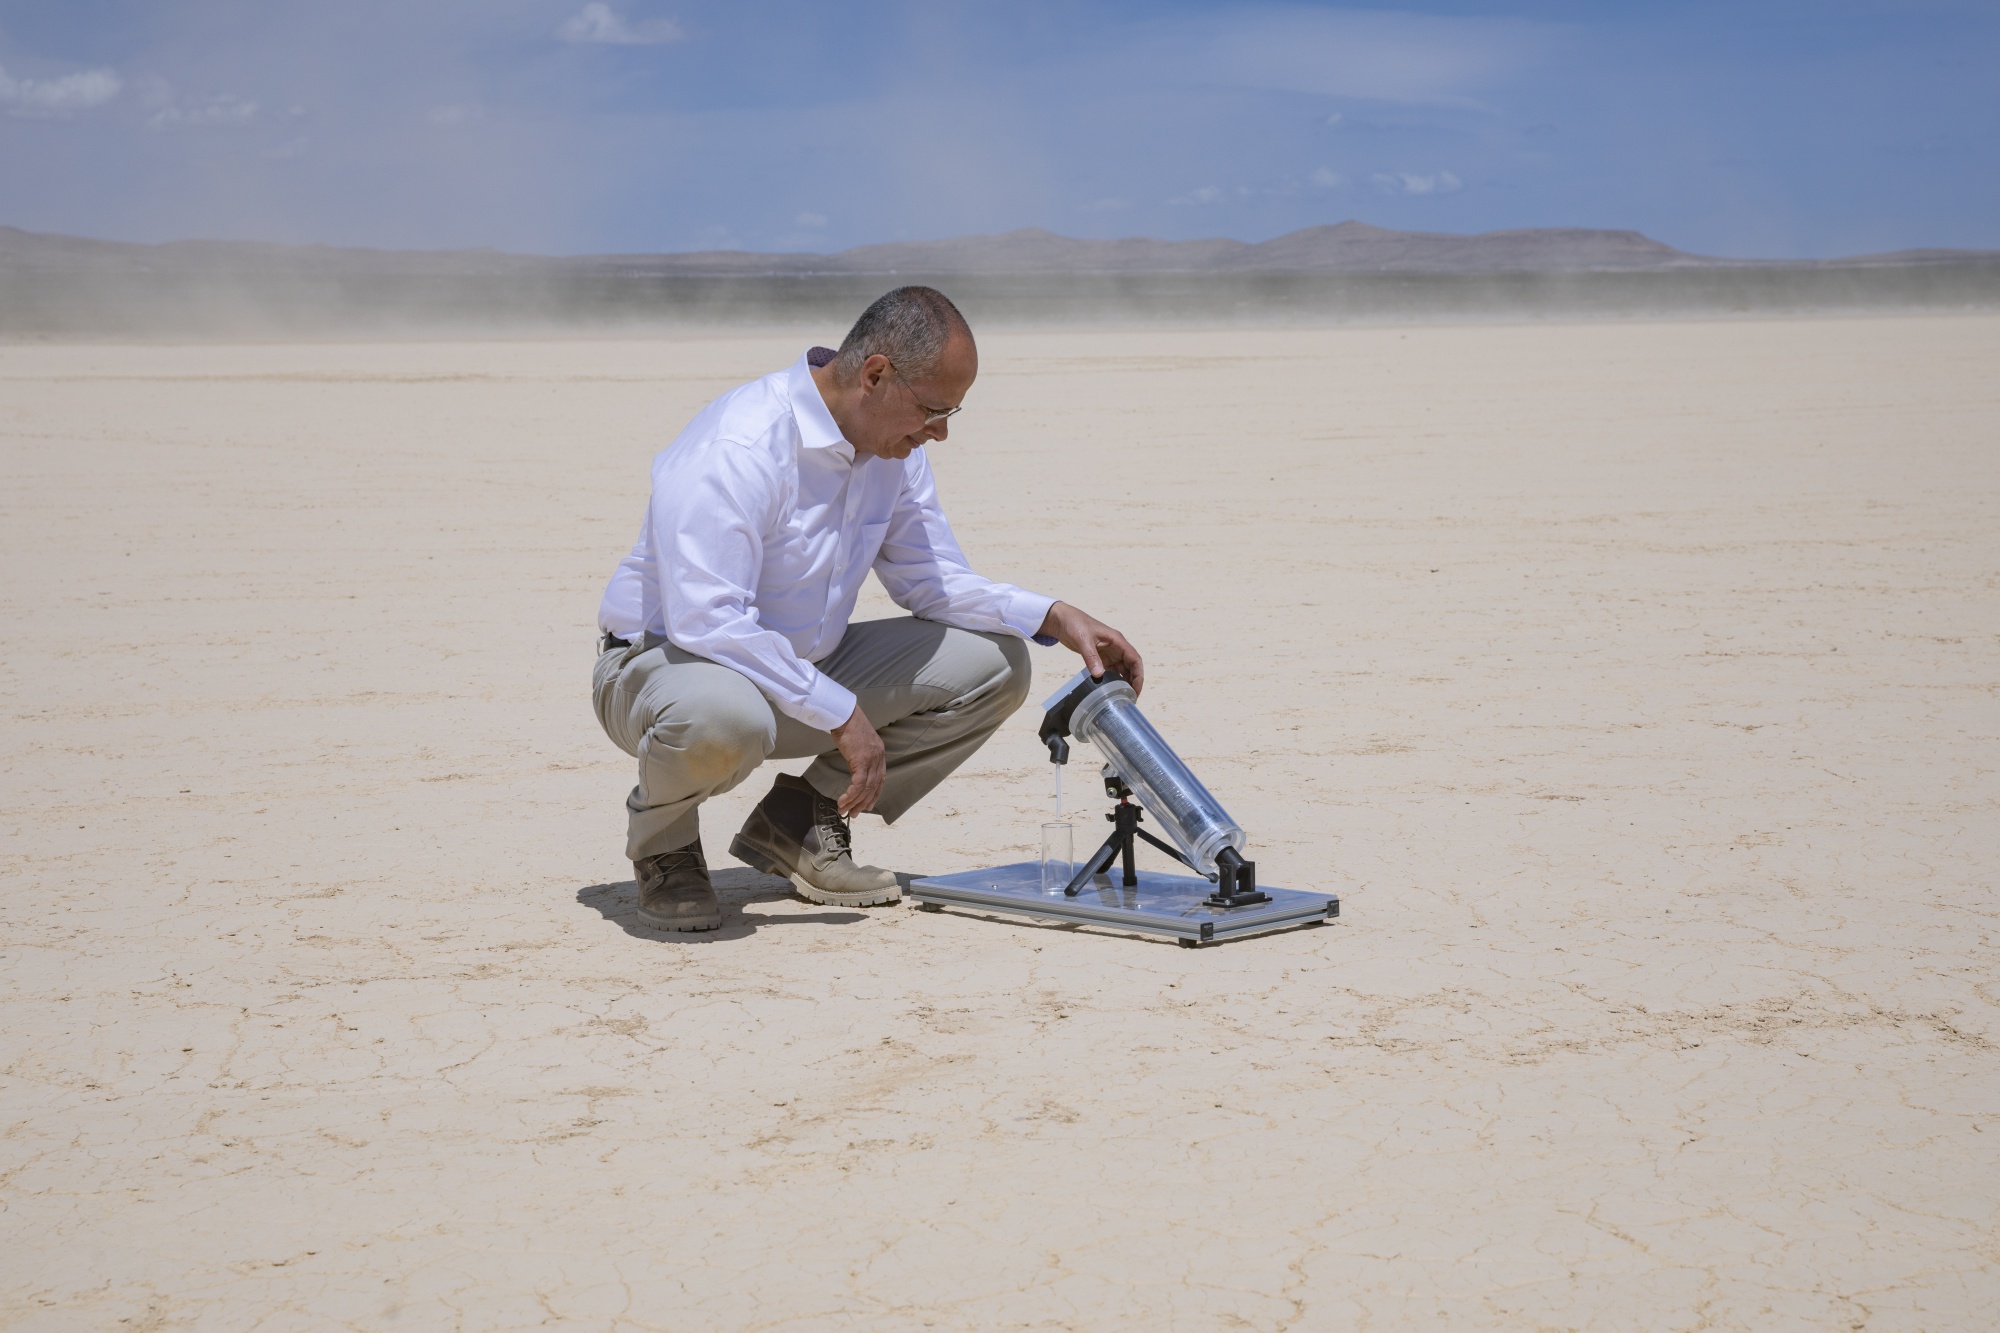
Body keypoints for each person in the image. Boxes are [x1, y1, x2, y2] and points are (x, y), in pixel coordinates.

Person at [592, 286, 1143, 932]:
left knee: (997, 662)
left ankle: (799, 821)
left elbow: (932, 584)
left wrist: (1054, 615)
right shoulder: (739, 443)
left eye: (952, 414)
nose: (939, 432)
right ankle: (664, 841)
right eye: (934, 410)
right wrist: (839, 709)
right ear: (876, 375)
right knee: (725, 715)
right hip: (664, 667)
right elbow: (706, 620)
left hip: (799, 668)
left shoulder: (892, 451)